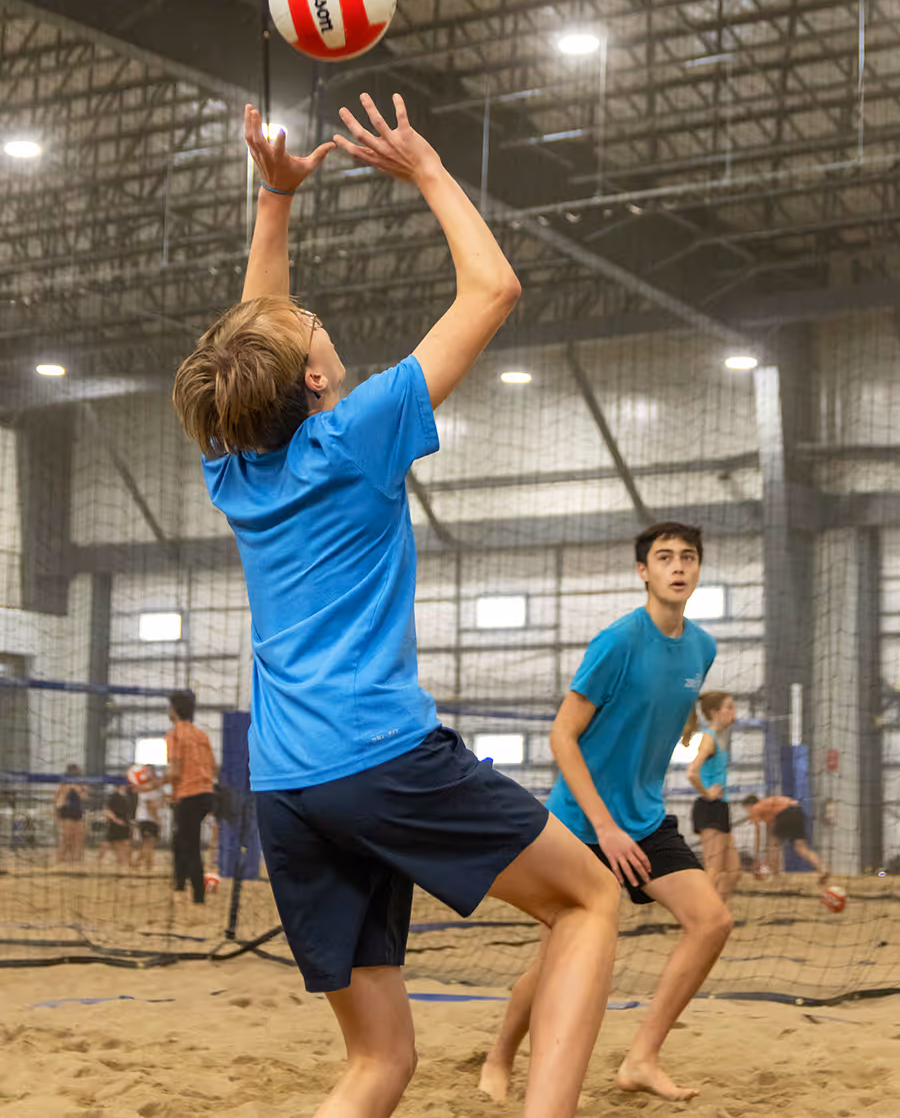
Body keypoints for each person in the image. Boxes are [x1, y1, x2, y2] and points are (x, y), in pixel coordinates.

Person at [171, 95, 620, 1118]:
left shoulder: (235, 472)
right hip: (380, 758)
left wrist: (276, 203)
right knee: (588, 897)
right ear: (320, 374)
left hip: (286, 786)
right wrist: (423, 166)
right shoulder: (357, 430)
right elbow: (495, 285)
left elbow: (260, 341)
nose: (309, 316)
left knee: (379, 1061)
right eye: (313, 328)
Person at [480, 522, 733, 1106]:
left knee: (712, 921)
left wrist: (629, 817)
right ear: (642, 571)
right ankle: (500, 1056)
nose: (678, 566)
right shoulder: (617, 642)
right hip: (578, 822)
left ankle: (641, 1058)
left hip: (643, 819)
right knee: (556, 962)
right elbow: (562, 737)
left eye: (688, 558)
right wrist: (605, 828)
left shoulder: (702, 648)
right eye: (664, 557)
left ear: (698, 571)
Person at [684, 691, 740, 904]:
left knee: (733, 872)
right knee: (714, 870)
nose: (734, 712)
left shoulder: (722, 735)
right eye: (730, 707)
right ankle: (703, 914)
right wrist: (707, 792)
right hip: (709, 807)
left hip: (721, 807)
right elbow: (691, 772)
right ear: (715, 713)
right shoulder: (709, 738)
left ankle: (718, 912)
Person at [165, 690, 217, 905]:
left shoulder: (174, 734)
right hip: (207, 794)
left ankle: (197, 896)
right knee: (180, 841)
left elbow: (175, 772)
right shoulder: (201, 735)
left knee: (189, 846)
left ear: (174, 710)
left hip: (190, 794)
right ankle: (179, 886)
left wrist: (154, 779)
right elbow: (213, 767)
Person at [742, 794, 829, 883]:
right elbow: (769, 830)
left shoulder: (756, 807)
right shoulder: (768, 804)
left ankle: (776, 876)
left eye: (746, 809)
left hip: (784, 814)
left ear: (748, 805)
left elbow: (758, 833)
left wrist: (757, 857)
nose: (747, 812)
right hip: (798, 810)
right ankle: (822, 868)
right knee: (801, 847)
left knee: (773, 846)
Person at [132, 768, 164, 873]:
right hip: (147, 819)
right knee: (148, 844)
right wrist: (158, 820)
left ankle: (148, 865)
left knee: (150, 844)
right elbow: (151, 807)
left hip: (149, 819)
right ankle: (138, 863)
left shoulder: (153, 790)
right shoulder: (147, 789)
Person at [54, 765, 87, 863]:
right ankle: (62, 859)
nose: (75, 773)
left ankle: (75, 860)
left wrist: (78, 788)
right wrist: (56, 813)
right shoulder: (64, 784)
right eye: (73, 771)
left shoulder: (80, 784)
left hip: (78, 814)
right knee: (66, 839)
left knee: (79, 839)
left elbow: (85, 796)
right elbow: (58, 798)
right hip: (67, 814)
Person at [97, 782, 131, 868]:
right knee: (108, 844)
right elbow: (107, 811)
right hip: (116, 824)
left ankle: (123, 863)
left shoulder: (126, 797)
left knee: (123, 844)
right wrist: (116, 820)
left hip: (123, 824)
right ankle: (98, 862)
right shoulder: (113, 796)